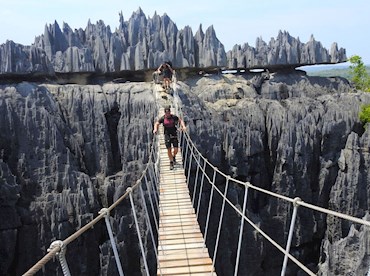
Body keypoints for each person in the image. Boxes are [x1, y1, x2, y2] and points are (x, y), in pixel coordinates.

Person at [153, 106, 186, 170]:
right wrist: (155, 129)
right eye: (167, 113)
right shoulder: (163, 118)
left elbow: (180, 120)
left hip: (174, 133)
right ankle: (171, 162)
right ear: (165, 113)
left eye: (169, 112)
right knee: (169, 149)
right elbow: (157, 123)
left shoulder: (173, 117)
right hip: (167, 135)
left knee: (176, 149)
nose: (168, 114)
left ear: (170, 112)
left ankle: (173, 156)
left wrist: (183, 126)